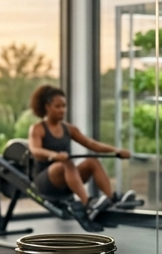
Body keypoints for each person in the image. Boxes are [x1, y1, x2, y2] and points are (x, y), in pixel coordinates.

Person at [28, 85, 139, 231]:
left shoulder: (69, 129)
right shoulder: (38, 128)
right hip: (46, 182)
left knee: (92, 161)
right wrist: (54, 155)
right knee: (66, 163)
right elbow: (35, 150)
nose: (62, 110)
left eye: (64, 106)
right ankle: (88, 204)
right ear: (47, 107)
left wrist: (117, 151)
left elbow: (92, 144)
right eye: (57, 106)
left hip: (66, 179)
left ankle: (111, 200)